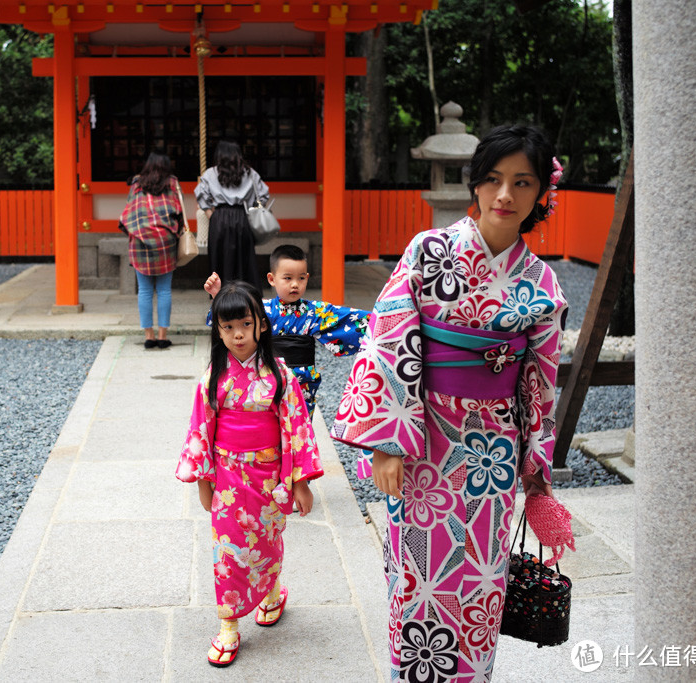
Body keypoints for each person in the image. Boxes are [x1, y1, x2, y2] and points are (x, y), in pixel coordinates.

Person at [330, 125, 568, 681]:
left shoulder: (541, 283)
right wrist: (387, 441)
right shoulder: (429, 251)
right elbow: (389, 339)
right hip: (423, 440)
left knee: (482, 581)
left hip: (494, 449)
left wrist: (535, 478)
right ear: (476, 186)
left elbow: (540, 381)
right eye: (493, 180)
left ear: (540, 195)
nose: (505, 195)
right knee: (418, 577)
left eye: (521, 182)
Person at [176, 280, 323, 668]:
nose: (237, 335)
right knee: (227, 553)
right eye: (227, 328)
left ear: (260, 323)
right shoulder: (214, 377)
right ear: (218, 330)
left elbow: (296, 428)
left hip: (270, 477)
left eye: (244, 324)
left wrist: (301, 482)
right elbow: (200, 430)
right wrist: (204, 484)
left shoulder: (280, 377)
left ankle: (272, 591)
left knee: (268, 541)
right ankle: (228, 624)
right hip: (227, 476)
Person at [203, 244, 370, 416]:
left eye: (301, 278)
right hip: (266, 380)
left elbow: (350, 319)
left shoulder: (315, 312)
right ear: (272, 279)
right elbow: (230, 317)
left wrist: (386, 319)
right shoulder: (261, 307)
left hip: (302, 384)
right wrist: (218, 297)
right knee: (269, 431)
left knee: (300, 433)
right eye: (288, 278)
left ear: (307, 278)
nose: (295, 284)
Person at [118, 152, 185, 348]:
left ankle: (149, 336)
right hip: (166, 240)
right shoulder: (172, 182)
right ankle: (163, 336)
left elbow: (129, 211)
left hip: (139, 240)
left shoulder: (137, 183)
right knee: (164, 290)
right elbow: (179, 210)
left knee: (145, 291)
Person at [195, 140, 269, 292]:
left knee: (219, 259)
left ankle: (220, 298)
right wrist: (252, 211)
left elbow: (201, 196)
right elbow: (263, 195)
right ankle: (246, 297)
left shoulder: (211, 173)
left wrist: (212, 216)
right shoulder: (249, 173)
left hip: (219, 217)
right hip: (242, 217)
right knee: (244, 259)